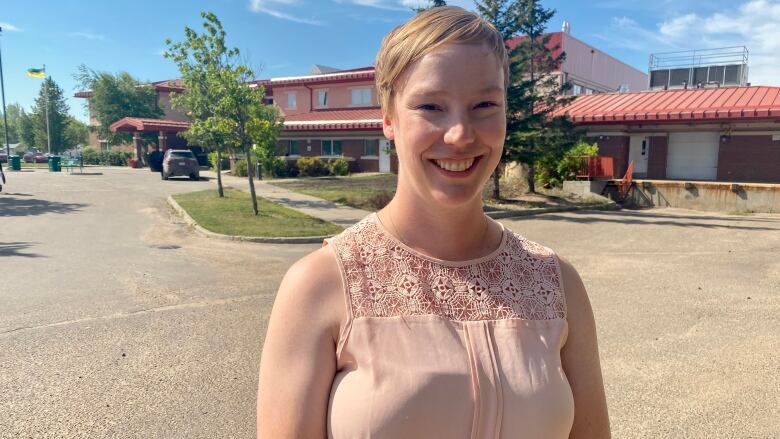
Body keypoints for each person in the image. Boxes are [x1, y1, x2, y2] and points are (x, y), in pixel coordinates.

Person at [257, 6, 610, 438]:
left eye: (484, 104)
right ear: (388, 118)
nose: (460, 134)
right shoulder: (319, 286)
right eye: (430, 106)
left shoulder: (558, 285)